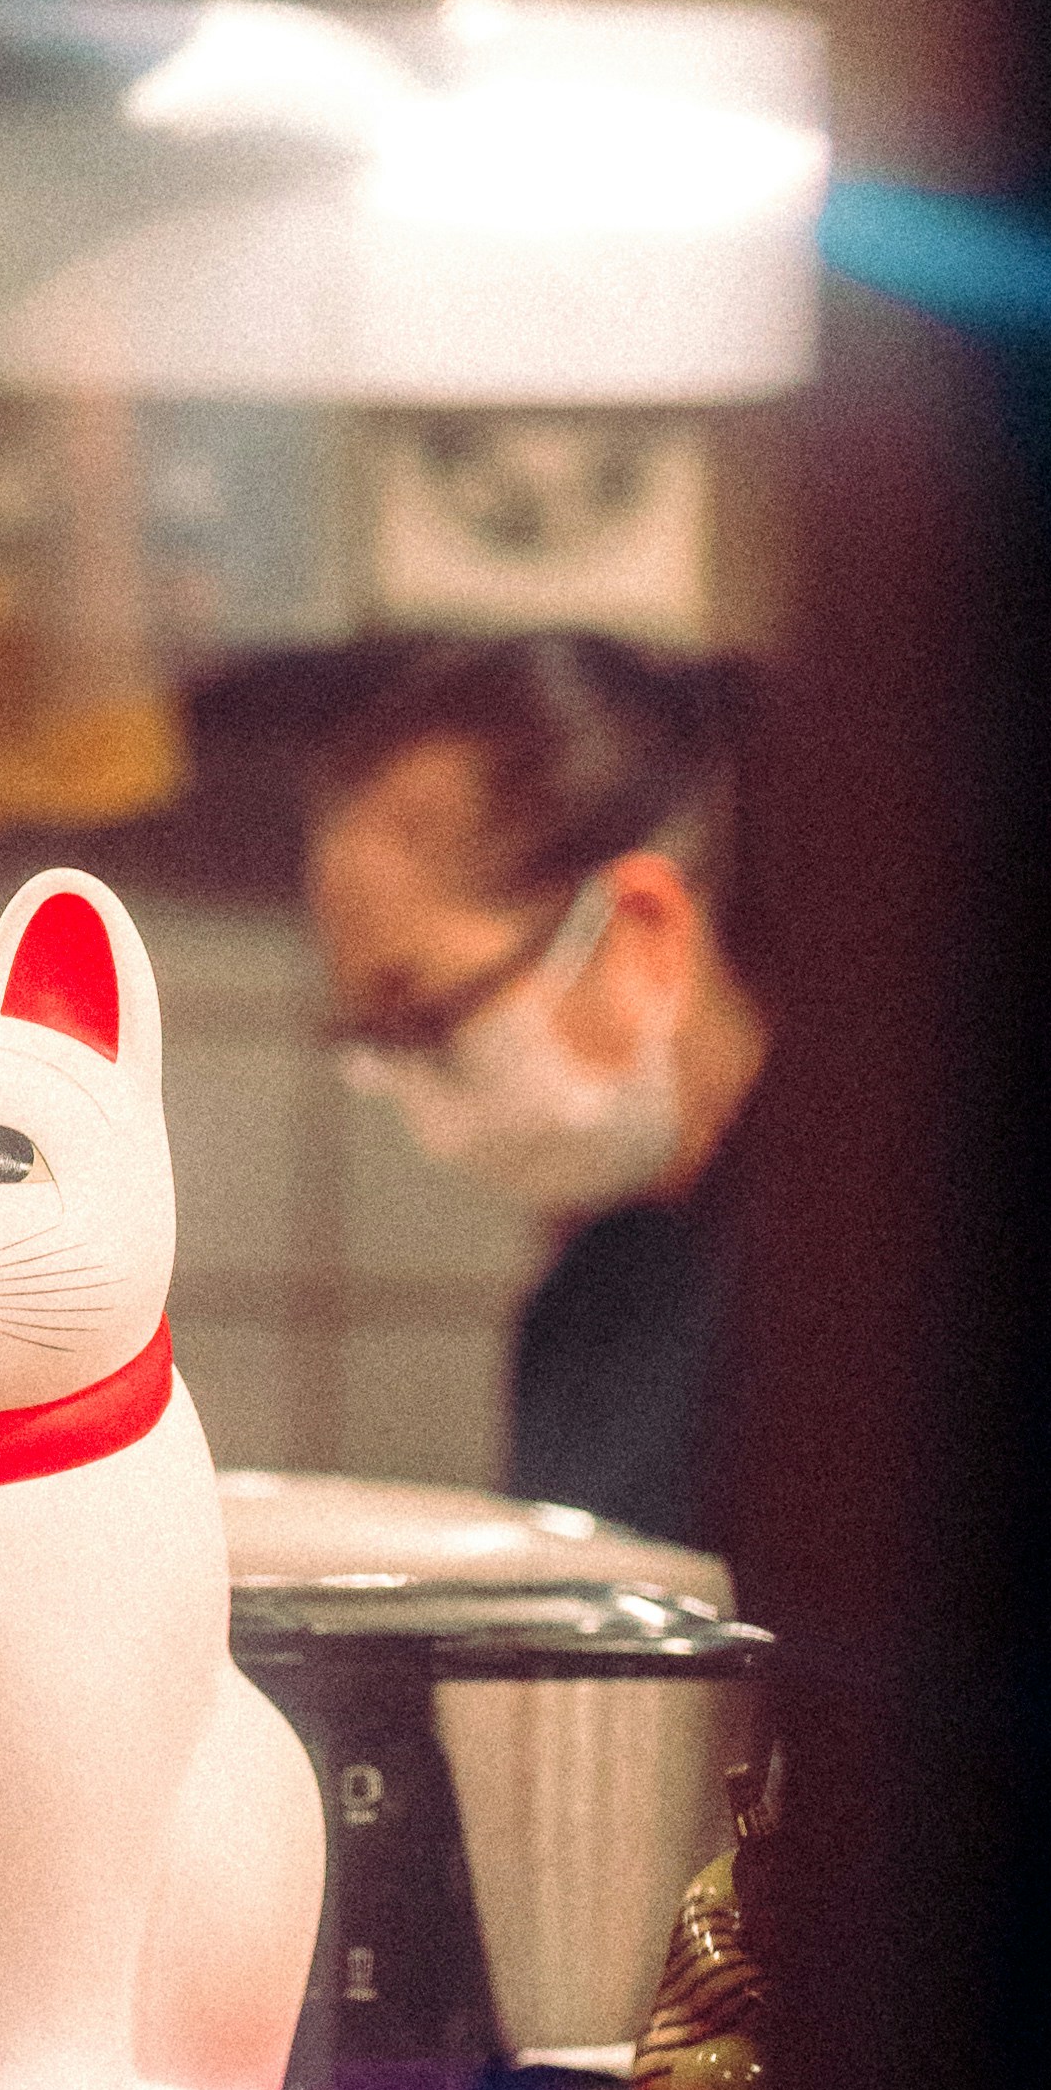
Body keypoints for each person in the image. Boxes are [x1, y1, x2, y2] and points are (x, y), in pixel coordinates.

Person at [294, 630, 770, 1564]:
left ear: (643, 928)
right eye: (380, 1043)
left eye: (427, 1016)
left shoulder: (876, 1275)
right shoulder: (598, 1293)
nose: (421, 1103)